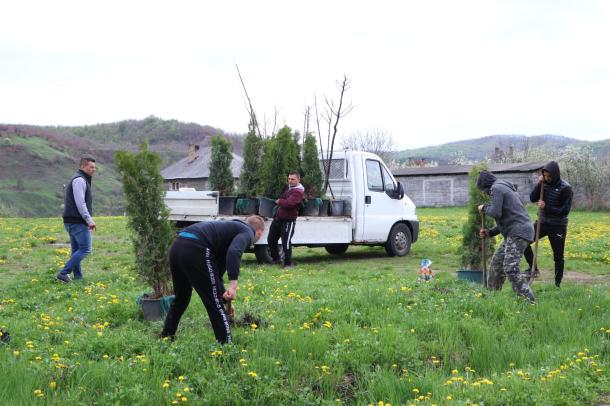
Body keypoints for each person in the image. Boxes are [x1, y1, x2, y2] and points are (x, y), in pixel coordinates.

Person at [161, 216, 265, 344]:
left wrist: (225, 301)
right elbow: (234, 252)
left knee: (181, 298)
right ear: (260, 231)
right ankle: (226, 346)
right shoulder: (248, 232)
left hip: (177, 245)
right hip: (196, 247)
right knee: (214, 303)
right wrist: (233, 285)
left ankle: (166, 338)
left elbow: (216, 275)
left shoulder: (228, 231)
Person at [476, 170, 536, 303]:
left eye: (483, 191)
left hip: (519, 232)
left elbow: (496, 212)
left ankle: (529, 301)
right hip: (514, 231)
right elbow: (507, 218)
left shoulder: (497, 188)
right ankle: (492, 299)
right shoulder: (502, 187)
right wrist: (490, 232)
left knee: (510, 267)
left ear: (485, 186)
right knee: (497, 263)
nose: (485, 193)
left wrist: (484, 207)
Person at [523, 161, 573, 287]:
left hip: (558, 226)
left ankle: (557, 285)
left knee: (558, 256)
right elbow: (533, 198)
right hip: (542, 222)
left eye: (549, 176)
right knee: (523, 241)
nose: (547, 178)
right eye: (544, 176)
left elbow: (564, 211)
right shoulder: (543, 183)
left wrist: (547, 207)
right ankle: (533, 269)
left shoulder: (566, 188)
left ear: (555, 174)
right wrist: (539, 184)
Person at [56, 156, 96, 283]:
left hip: (71, 221)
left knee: (76, 250)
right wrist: (89, 220)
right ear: (83, 166)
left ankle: (78, 277)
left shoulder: (79, 178)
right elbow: (80, 203)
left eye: (94, 167)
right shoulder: (79, 180)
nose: (93, 169)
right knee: (85, 249)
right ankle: (63, 273)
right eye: (91, 167)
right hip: (77, 222)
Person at [267, 171, 304, 267]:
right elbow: (285, 200)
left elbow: (289, 204)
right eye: (289, 179)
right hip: (278, 219)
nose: (290, 181)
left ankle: (287, 264)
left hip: (288, 221)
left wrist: (279, 201)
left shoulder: (298, 192)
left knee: (285, 243)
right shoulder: (288, 188)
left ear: (298, 180)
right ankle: (276, 259)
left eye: (293, 179)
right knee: (271, 239)